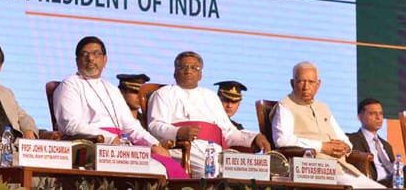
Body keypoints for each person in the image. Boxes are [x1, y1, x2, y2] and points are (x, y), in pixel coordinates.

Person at [53, 36, 186, 178]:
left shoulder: (111, 89)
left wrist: (153, 144)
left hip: (121, 147)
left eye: (96, 54)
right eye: (85, 54)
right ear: (77, 60)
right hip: (93, 147)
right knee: (150, 171)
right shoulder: (70, 85)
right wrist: (108, 138)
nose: (90, 59)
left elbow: (131, 126)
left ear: (105, 60)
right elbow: (70, 124)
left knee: (167, 166)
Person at [146, 51, 270, 177]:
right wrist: (178, 132)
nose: (188, 71)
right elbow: (155, 126)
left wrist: (254, 137)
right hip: (184, 149)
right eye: (183, 67)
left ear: (201, 74)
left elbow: (228, 132)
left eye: (194, 68)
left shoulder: (210, 96)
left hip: (214, 152)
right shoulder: (163, 94)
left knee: (252, 175)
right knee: (211, 174)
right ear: (174, 72)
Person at [271, 61, 384, 189]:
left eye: (311, 82)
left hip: (342, 168)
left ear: (318, 84)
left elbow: (344, 139)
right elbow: (282, 140)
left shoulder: (323, 108)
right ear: (292, 83)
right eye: (301, 81)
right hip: (313, 171)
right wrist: (322, 147)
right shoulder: (285, 106)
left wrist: (345, 147)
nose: (306, 87)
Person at [347, 98, 395, 186]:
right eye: (372, 113)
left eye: (381, 113)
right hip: (372, 183)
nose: (378, 117)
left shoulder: (387, 145)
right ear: (360, 117)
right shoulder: (351, 140)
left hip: (393, 182)